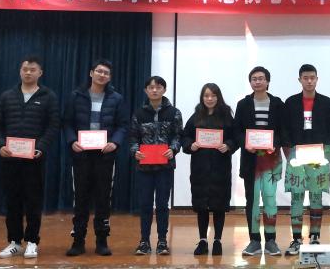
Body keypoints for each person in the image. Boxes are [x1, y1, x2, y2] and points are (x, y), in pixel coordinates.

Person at [0, 56, 60, 259]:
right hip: (10, 159)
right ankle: (14, 242)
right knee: (12, 201)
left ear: (40, 73)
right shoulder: (7, 96)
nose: (28, 72)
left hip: (34, 160)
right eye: (25, 69)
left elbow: (53, 125)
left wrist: (41, 147)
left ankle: (32, 241)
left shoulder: (48, 96)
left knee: (33, 201)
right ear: (20, 71)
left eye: (32, 69)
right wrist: (0, 145)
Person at [63, 59, 129, 257]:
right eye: (99, 71)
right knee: (80, 198)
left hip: (105, 155)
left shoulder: (116, 98)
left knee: (103, 198)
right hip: (81, 154)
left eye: (106, 73)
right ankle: (78, 240)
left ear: (109, 77)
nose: (102, 75)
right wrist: (72, 141)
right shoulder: (76, 96)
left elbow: (123, 125)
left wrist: (115, 142)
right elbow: (66, 123)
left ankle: (102, 240)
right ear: (91, 73)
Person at [281, 64, 330, 255]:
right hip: (297, 157)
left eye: (312, 77)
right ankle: (296, 239)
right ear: (300, 80)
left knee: (316, 197)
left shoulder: (327, 103)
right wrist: (290, 155)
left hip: (318, 158)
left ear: (317, 79)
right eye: (305, 78)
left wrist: (324, 156)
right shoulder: (290, 102)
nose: (309, 81)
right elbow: (284, 130)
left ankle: (315, 237)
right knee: (297, 197)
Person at [234, 66, 286, 257]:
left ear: (267, 81)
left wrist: (275, 144)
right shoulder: (243, 104)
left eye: (261, 78)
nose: (257, 81)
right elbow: (237, 131)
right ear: (250, 82)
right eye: (254, 79)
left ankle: (271, 240)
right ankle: (254, 240)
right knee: (253, 200)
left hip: (271, 160)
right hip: (251, 161)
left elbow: (283, 130)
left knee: (270, 199)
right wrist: (245, 144)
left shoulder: (278, 103)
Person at [181, 83, 237, 256]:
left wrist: (228, 145)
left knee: (219, 206)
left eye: (213, 95)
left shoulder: (226, 115)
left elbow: (235, 137)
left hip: (220, 168)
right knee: (202, 206)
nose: (210, 99)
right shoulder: (196, 115)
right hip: (200, 169)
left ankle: (217, 240)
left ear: (218, 97)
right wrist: (190, 145)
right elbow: (185, 136)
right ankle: (203, 240)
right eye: (206, 95)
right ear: (202, 97)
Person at [130, 75, 183, 256]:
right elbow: (133, 137)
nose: (154, 90)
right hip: (144, 167)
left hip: (164, 167)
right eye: (151, 87)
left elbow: (178, 135)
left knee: (162, 204)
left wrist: (173, 149)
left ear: (164, 90)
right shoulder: (139, 113)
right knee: (145, 204)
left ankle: (162, 241)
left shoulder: (174, 112)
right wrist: (135, 151)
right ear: (146, 90)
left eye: (158, 87)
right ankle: (144, 241)